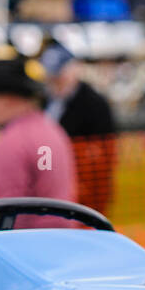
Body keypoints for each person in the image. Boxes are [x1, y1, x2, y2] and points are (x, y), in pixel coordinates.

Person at [0, 57, 76, 232]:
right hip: (55, 242)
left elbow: (9, 212)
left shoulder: (12, 143)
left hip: (24, 248)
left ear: (8, 98)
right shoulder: (50, 129)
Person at [41, 44, 116, 214]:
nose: (55, 81)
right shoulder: (44, 101)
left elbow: (103, 151)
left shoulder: (94, 104)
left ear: (73, 71)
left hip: (85, 188)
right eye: (51, 77)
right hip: (50, 179)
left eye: (59, 76)